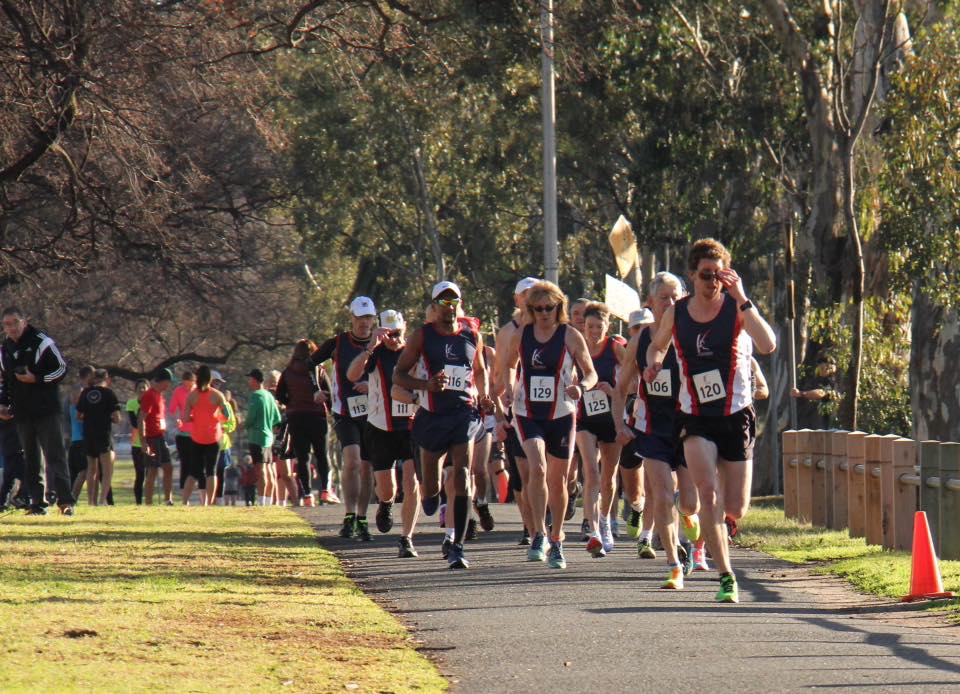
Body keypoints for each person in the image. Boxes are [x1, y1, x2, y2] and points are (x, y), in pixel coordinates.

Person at [644, 238, 776, 603]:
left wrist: (743, 297)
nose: (712, 282)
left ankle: (713, 529)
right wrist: (654, 361)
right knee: (708, 494)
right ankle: (726, 576)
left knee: (735, 507)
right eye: (705, 275)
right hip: (696, 416)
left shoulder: (737, 309)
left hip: (736, 415)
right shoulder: (679, 312)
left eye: (719, 275)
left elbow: (768, 345)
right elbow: (658, 344)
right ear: (693, 276)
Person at [394, 281, 494, 569]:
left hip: (463, 413)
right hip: (432, 415)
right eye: (443, 302)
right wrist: (426, 385)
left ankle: (458, 547)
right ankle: (431, 494)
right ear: (434, 306)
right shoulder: (421, 337)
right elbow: (399, 375)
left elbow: (480, 370)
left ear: (460, 305)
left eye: (454, 302)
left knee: (462, 475)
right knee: (430, 492)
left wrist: (485, 396)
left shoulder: (472, 334)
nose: (449, 307)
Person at [499, 281, 598, 569]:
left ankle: (556, 539)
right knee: (537, 468)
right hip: (527, 412)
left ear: (559, 308)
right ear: (530, 310)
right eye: (537, 308)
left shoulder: (570, 335)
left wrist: (582, 388)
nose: (543, 313)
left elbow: (589, 372)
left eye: (549, 308)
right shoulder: (522, 334)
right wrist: (508, 386)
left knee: (558, 479)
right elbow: (508, 364)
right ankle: (538, 534)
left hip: (562, 413)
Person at [615, 272, 702, 589]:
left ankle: (690, 520)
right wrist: (619, 423)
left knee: (689, 501)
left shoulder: (692, 334)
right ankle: (674, 565)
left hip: (689, 426)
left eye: (676, 295)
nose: (671, 302)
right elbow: (620, 388)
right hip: (652, 429)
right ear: (650, 302)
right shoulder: (640, 341)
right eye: (664, 297)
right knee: (663, 496)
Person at [347, 310, 422, 558]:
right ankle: (386, 504)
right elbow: (351, 375)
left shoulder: (412, 353)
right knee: (387, 488)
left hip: (410, 427)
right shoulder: (375, 353)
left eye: (397, 334)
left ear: (405, 330)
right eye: (388, 334)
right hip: (380, 428)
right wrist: (370, 346)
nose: (392, 339)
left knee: (411, 483)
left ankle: (406, 538)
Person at [311, 297, 376, 540]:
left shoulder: (379, 343)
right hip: (344, 411)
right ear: (352, 318)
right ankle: (349, 516)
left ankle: (361, 518)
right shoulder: (338, 342)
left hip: (373, 413)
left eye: (368, 317)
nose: (364, 323)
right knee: (352, 461)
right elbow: (308, 363)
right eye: (360, 317)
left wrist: (371, 385)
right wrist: (315, 389)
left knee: (367, 467)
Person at [0, 306, 76, 515]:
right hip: (22, 412)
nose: (12, 328)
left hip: (46, 409)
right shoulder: (5, 348)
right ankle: (37, 503)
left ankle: (65, 501)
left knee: (55, 455)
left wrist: (38, 379)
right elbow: (6, 380)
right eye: (7, 324)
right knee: (31, 458)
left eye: (15, 322)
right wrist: (3, 404)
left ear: (24, 321)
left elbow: (61, 369)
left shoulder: (41, 342)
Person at [575, 302, 626, 557]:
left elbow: (634, 375)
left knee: (609, 476)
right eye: (590, 326)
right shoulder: (577, 348)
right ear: (584, 326)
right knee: (591, 472)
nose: (594, 331)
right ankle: (593, 530)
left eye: (599, 326)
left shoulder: (614, 348)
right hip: (584, 418)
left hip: (611, 418)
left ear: (608, 326)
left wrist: (615, 391)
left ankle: (605, 520)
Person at [493, 277, 540, 546]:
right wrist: (499, 415)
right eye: (526, 294)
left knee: (541, 471)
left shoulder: (553, 328)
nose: (531, 299)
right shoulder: (508, 332)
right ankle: (531, 528)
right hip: (515, 409)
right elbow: (498, 376)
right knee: (522, 475)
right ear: (517, 299)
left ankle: (540, 525)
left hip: (547, 410)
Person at [277, 340, 331, 507]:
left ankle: (307, 494)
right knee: (322, 454)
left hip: (297, 418)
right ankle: (325, 490)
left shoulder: (287, 372)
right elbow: (329, 393)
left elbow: (280, 395)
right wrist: (330, 411)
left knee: (303, 458)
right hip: (317, 416)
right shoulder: (319, 371)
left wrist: (291, 403)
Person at [182, 365, 229, 506]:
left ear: (196, 378)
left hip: (197, 437)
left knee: (193, 471)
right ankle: (209, 502)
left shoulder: (192, 396)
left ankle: (185, 502)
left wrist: (195, 418)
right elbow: (226, 415)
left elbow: (185, 418)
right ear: (210, 379)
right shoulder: (217, 395)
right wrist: (215, 418)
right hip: (213, 437)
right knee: (211, 471)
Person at [76, 369, 122, 506]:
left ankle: (91, 501)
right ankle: (102, 500)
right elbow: (117, 417)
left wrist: (90, 416)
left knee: (91, 469)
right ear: (106, 379)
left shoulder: (85, 393)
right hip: (103, 433)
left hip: (89, 433)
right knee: (107, 470)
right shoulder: (109, 393)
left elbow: (79, 416)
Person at [245, 368, 282, 505]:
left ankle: (262, 501)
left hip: (256, 437)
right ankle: (269, 500)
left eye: (250, 379)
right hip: (268, 437)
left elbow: (250, 418)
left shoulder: (256, 396)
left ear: (255, 380)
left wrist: (245, 424)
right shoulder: (269, 396)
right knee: (269, 468)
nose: (249, 381)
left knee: (260, 471)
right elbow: (277, 418)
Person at [140, 368, 175, 505]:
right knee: (153, 470)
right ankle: (148, 503)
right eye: (168, 382)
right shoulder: (149, 395)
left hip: (160, 436)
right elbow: (141, 418)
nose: (169, 386)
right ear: (163, 381)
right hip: (151, 437)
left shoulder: (160, 396)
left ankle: (168, 499)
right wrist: (144, 442)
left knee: (168, 467)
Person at [67, 365, 94, 501]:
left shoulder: (79, 391)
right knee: (84, 471)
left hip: (77, 440)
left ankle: (70, 498)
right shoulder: (80, 393)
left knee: (79, 472)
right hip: (80, 440)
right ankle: (72, 498)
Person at [792, 352, 840, 428]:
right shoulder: (816, 380)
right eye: (819, 366)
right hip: (812, 423)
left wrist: (801, 393)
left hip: (828, 425)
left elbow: (821, 393)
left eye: (823, 367)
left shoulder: (832, 382)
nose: (820, 370)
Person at [168, 369, 196, 492]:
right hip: (183, 432)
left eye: (189, 385)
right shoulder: (178, 391)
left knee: (196, 462)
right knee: (185, 462)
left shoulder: (199, 391)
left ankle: (197, 489)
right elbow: (172, 409)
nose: (187, 387)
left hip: (197, 432)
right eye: (185, 384)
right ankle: (184, 489)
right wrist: (177, 419)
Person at [126, 379, 149, 504]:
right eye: (139, 387)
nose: (142, 390)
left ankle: (149, 501)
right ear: (135, 390)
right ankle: (138, 502)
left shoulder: (152, 403)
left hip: (150, 442)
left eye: (144, 387)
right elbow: (135, 423)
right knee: (140, 474)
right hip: (137, 443)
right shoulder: (131, 404)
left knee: (150, 474)